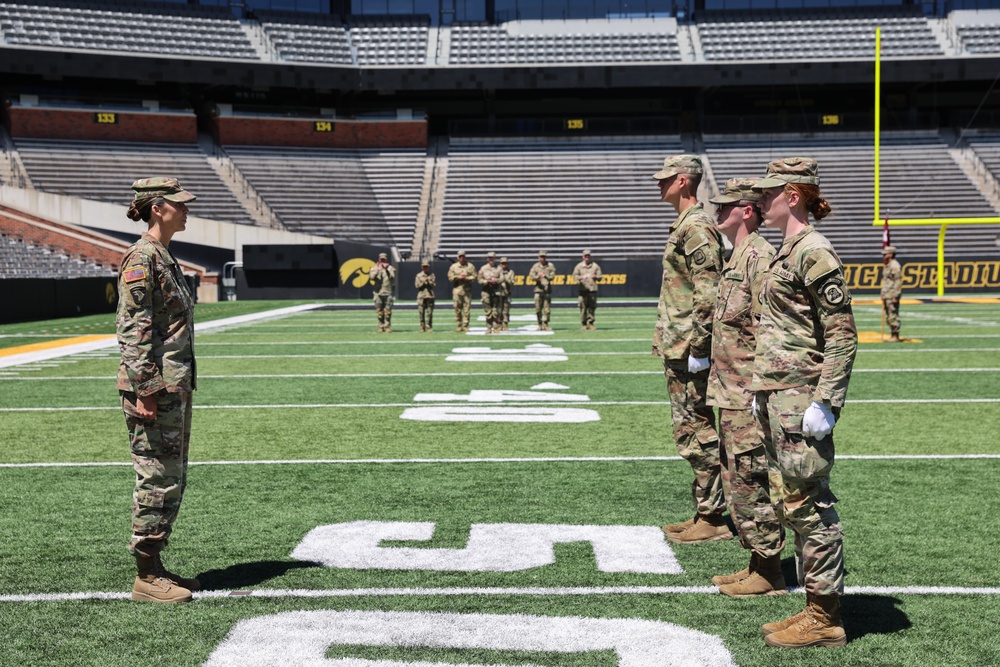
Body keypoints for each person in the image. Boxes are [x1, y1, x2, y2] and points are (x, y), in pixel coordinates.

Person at [751, 157, 858, 648]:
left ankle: (826, 615)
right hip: (779, 396)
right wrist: (761, 392)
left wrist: (827, 400)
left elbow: (841, 334)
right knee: (791, 502)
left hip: (801, 399)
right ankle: (814, 606)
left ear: (793, 195)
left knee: (810, 504)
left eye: (769, 193)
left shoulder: (813, 251)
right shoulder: (786, 250)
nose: (759, 201)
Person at [117, 177, 201, 604]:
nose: (186, 210)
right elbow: (133, 330)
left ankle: (156, 564)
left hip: (172, 386)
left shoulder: (164, 256)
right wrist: (145, 389)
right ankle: (145, 577)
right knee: (155, 476)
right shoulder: (142, 257)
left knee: (170, 478)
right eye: (178, 204)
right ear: (157, 208)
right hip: (154, 389)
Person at [705, 178, 785, 597]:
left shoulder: (759, 257)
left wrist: (760, 391)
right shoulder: (737, 256)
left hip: (748, 394)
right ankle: (757, 559)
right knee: (736, 478)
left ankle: (769, 571)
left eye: (726, 206)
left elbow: (769, 329)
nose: (717, 211)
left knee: (752, 478)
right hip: (729, 392)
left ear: (747, 211)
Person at [651, 154, 730, 544]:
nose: (659, 184)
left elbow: (708, 290)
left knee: (696, 430)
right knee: (689, 429)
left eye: (666, 179)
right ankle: (705, 510)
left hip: (688, 347)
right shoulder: (686, 224)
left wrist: (700, 345)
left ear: (684, 181)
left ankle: (713, 518)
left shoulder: (696, 226)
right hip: (678, 343)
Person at [572, 249, 603, 330]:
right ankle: (584, 324)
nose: (587, 257)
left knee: (592, 307)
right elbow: (574, 277)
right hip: (583, 290)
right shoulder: (579, 266)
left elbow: (600, 277)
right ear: (583, 257)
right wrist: (582, 277)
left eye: (588, 256)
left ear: (590, 256)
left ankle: (591, 323)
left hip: (592, 290)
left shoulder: (595, 266)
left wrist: (595, 277)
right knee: (583, 307)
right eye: (585, 256)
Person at [448, 250, 477, 332]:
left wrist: (466, 278)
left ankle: (465, 325)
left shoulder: (470, 266)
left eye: (463, 256)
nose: (462, 258)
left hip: (467, 290)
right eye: (460, 257)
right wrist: (459, 277)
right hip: (457, 290)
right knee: (457, 308)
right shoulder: (453, 266)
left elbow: (475, 276)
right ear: (458, 257)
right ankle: (459, 324)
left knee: (467, 309)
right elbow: (450, 277)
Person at [528, 249, 556, 330]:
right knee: (538, 309)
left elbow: (553, 276)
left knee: (547, 309)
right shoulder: (535, 266)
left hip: (547, 290)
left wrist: (546, 276)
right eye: (541, 257)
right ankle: (539, 324)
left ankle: (546, 324)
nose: (542, 258)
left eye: (544, 257)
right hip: (538, 290)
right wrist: (538, 277)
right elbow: (531, 276)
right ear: (538, 257)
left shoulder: (550, 265)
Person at [369, 252, 396, 333]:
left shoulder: (391, 268)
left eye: (384, 260)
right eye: (381, 260)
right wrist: (377, 270)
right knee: (379, 311)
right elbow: (371, 277)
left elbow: (393, 276)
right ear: (379, 260)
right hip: (378, 293)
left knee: (388, 311)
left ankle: (387, 326)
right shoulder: (374, 268)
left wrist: (386, 268)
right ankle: (381, 326)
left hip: (388, 292)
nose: (382, 261)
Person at [478, 251, 504, 334]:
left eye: (492, 258)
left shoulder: (499, 268)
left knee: (496, 310)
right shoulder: (483, 268)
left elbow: (502, 279)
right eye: (489, 258)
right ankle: (489, 327)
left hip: (496, 291)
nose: (491, 259)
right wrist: (486, 281)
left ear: (495, 258)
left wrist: (495, 280)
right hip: (486, 291)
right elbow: (479, 279)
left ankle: (496, 327)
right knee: (488, 311)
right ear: (487, 259)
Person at [881, 245, 902, 342]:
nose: (883, 256)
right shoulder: (889, 265)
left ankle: (895, 335)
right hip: (888, 295)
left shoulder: (895, 265)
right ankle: (892, 334)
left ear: (890, 254)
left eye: (885, 254)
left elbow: (898, 281)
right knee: (889, 315)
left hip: (892, 295)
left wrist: (896, 296)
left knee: (893, 315)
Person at [415, 260, 436, 332]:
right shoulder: (418, 275)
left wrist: (429, 282)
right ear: (422, 267)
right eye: (424, 267)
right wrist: (423, 282)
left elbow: (433, 285)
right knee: (421, 313)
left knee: (429, 313)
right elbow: (417, 286)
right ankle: (422, 327)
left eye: (426, 267)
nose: (425, 268)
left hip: (430, 296)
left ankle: (429, 326)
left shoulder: (432, 275)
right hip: (421, 296)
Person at [499, 256, 515, 331]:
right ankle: (499, 324)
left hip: (507, 293)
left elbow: (512, 282)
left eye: (505, 263)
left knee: (506, 310)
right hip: (498, 293)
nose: (504, 265)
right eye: (502, 263)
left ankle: (505, 324)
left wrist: (507, 280)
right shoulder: (497, 271)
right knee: (499, 310)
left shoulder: (511, 272)